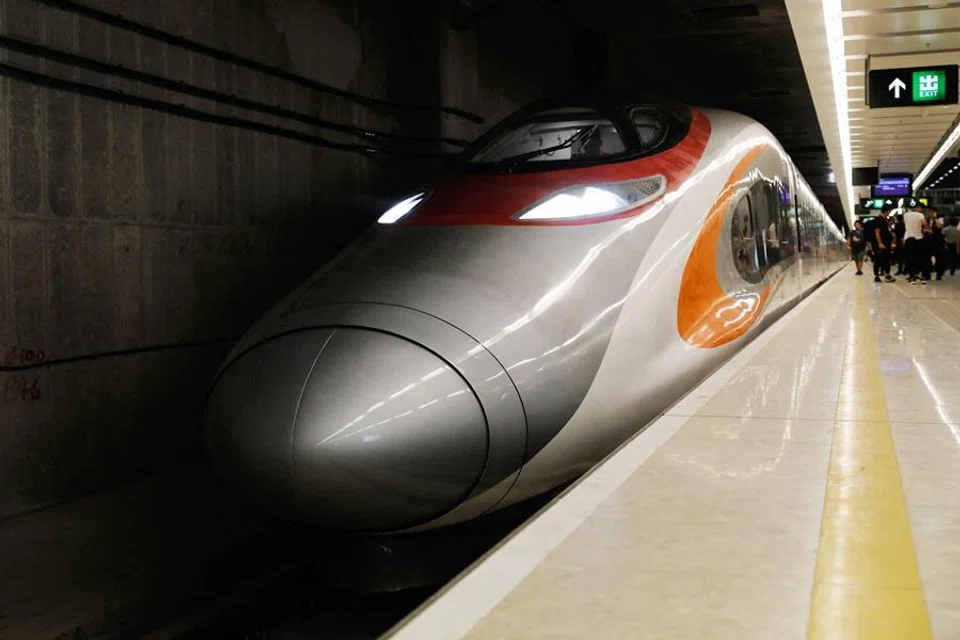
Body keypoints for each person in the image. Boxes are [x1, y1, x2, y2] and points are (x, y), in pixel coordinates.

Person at [866, 206, 897, 283]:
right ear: (887, 211)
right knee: (880, 259)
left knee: (884, 259)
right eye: (889, 212)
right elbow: (877, 232)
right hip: (881, 244)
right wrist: (880, 243)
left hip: (884, 243)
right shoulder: (879, 220)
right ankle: (880, 276)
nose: (889, 214)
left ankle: (885, 275)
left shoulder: (883, 220)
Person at [903, 203, 927, 283]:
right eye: (921, 208)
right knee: (920, 258)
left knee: (910, 258)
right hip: (918, 239)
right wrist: (927, 229)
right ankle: (920, 275)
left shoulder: (906, 215)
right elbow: (924, 223)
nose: (922, 210)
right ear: (918, 208)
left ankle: (911, 276)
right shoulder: (920, 215)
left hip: (908, 239)